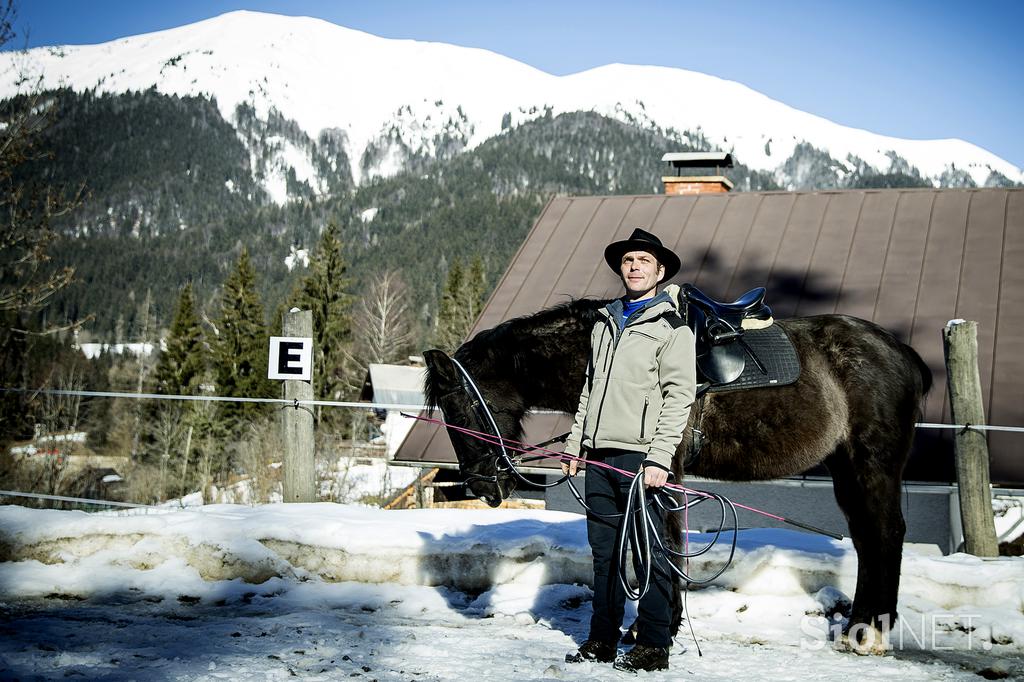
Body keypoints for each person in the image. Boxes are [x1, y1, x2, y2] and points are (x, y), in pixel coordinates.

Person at [561, 227, 696, 673]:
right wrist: (574, 442)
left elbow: (679, 397)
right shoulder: (604, 322)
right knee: (605, 555)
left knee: (649, 553)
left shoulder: (672, 328)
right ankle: (602, 638)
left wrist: (659, 457)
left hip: (641, 459)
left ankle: (654, 644)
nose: (634, 266)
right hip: (597, 457)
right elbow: (590, 389)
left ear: (660, 271)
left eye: (644, 261)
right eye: (628, 260)